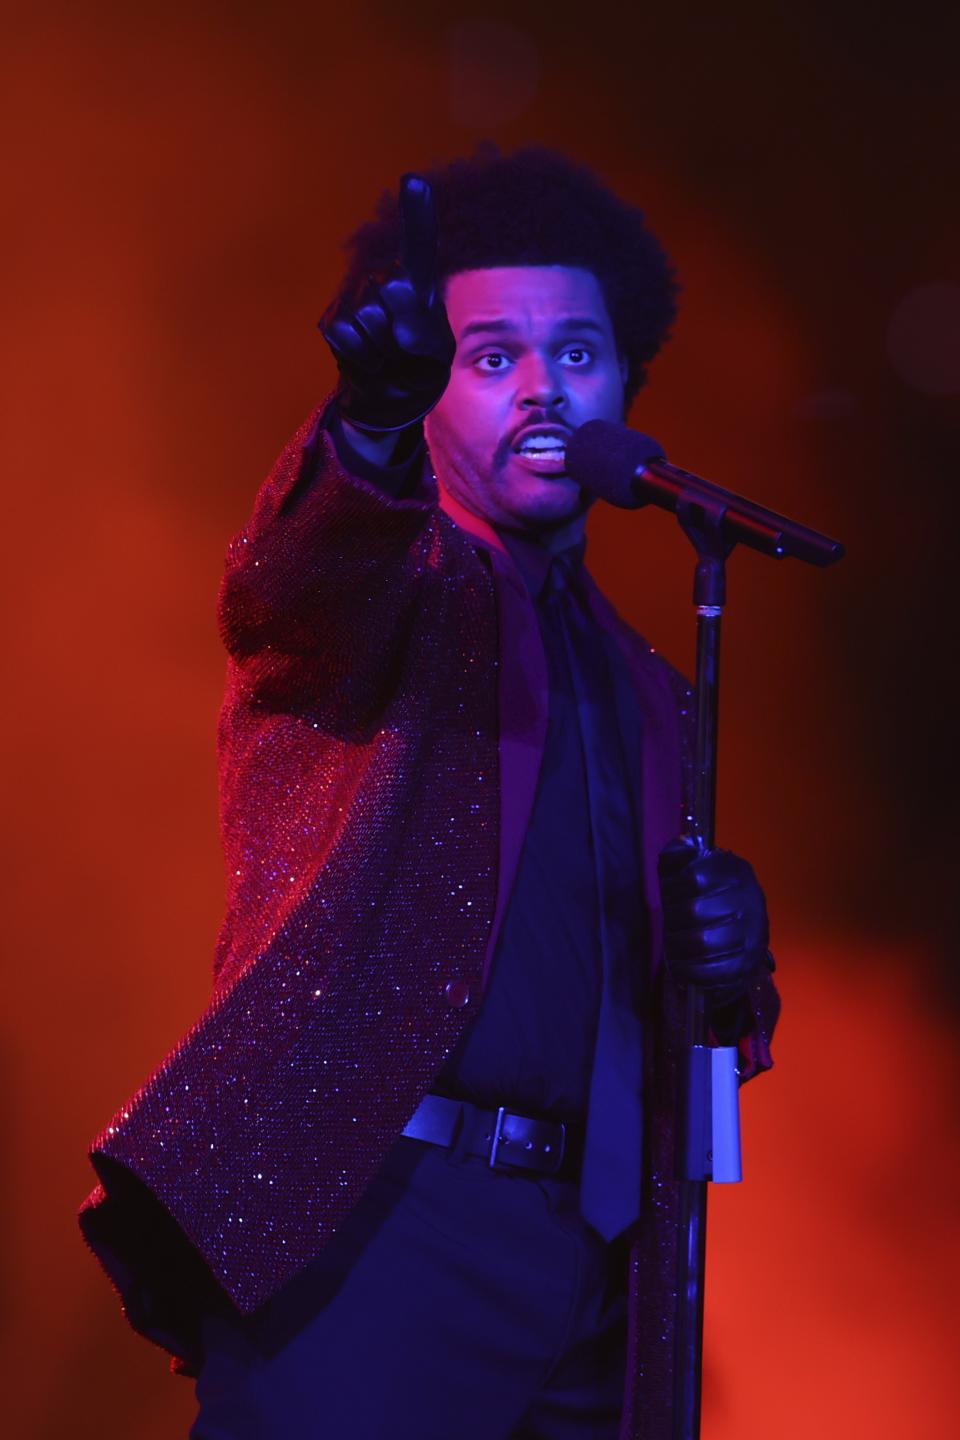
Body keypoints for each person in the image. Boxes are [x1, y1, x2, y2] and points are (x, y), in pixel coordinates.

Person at [80, 145, 779, 1440]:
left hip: (603, 1262)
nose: (545, 390)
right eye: (491, 355)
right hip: (381, 1228)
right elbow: (296, 589)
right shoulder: (399, 594)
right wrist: (370, 426)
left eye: (578, 354)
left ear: (628, 381)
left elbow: (654, 997)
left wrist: (735, 959)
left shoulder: (650, 686)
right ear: (429, 378)